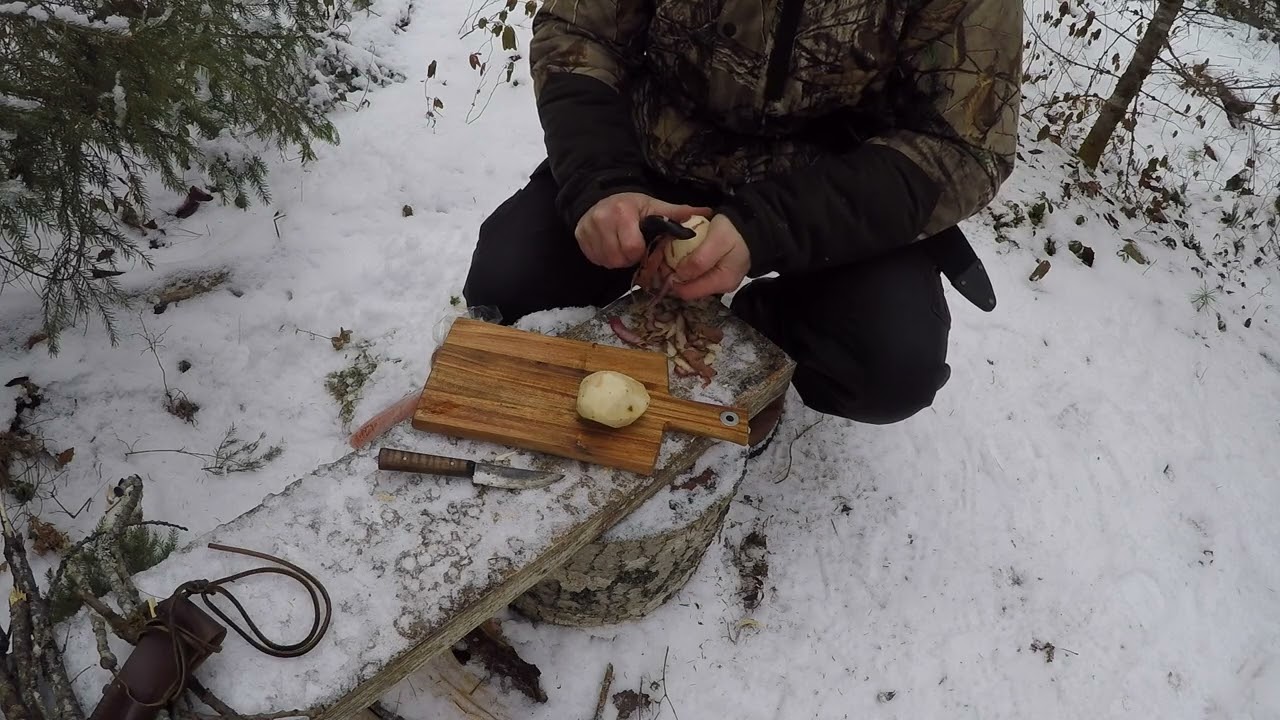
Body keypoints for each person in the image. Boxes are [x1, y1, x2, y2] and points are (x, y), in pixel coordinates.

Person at [462, 0, 1022, 445]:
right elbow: (579, 31)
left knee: (890, 368)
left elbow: (966, 148)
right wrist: (600, 183)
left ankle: (758, 336)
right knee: (507, 288)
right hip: (657, 154)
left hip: (829, 186)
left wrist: (770, 227)